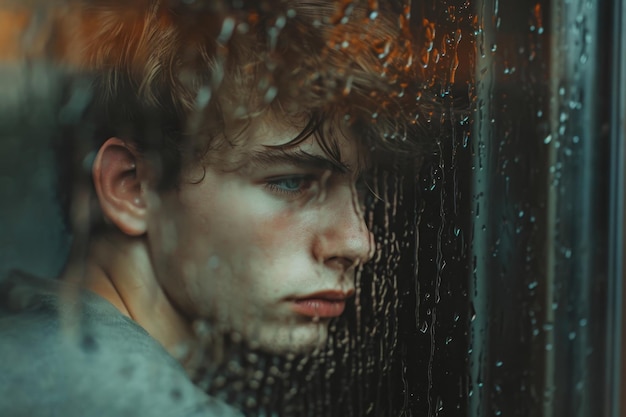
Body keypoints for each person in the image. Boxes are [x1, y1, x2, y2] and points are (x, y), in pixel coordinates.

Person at [0, 0, 431, 415]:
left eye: (364, 191)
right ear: (133, 188)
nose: (360, 243)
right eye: (292, 182)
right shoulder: (123, 397)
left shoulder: (39, 333)